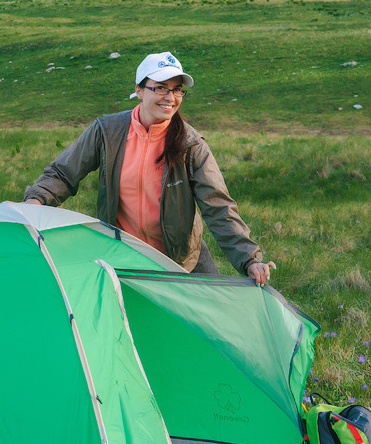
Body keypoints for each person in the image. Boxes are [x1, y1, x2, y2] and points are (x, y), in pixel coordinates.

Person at [23, 51, 275, 285]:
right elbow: (64, 173)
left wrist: (250, 260)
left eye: (177, 90)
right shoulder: (107, 131)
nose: (170, 97)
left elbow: (218, 207)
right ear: (139, 90)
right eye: (161, 88)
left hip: (180, 259)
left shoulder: (191, 145)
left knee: (214, 321)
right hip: (121, 255)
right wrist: (36, 201)